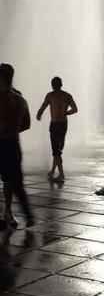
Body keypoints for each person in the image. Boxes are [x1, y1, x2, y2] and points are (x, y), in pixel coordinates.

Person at [0, 63, 34, 229]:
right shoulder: (20, 98)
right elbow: (27, 124)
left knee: (11, 181)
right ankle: (10, 212)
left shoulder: (14, 99)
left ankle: (8, 212)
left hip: (7, 144)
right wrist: (12, 130)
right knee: (12, 182)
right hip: (12, 144)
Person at [36, 77, 78, 183]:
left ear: (52, 85)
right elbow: (75, 109)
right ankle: (53, 170)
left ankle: (61, 174)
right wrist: (66, 113)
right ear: (61, 84)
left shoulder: (51, 95)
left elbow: (43, 107)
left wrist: (39, 114)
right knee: (57, 149)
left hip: (55, 124)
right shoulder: (66, 96)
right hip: (62, 124)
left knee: (56, 150)